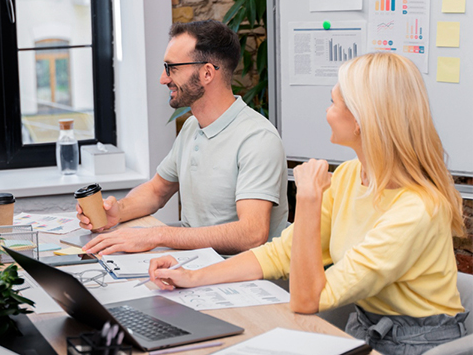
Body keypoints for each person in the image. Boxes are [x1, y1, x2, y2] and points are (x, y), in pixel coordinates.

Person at [148, 53, 467, 354]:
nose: (327, 111)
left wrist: (309, 197)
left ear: (360, 119)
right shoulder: (350, 175)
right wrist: (193, 276)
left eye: (333, 102)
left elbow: (307, 300)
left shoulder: (417, 209)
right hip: (365, 329)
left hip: (419, 345)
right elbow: (281, 253)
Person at [77, 20, 289, 255]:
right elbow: (157, 190)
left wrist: (159, 235)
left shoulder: (258, 139)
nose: (163, 78)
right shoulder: (192, 127)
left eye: (172, 68)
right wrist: (117, 210)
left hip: (242, 278)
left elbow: (252, 234)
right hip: (195, 267)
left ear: (207, 73)